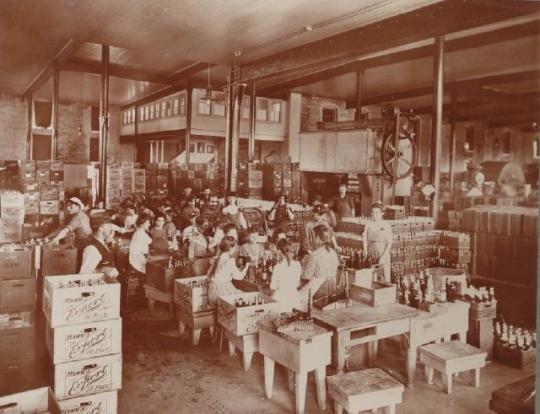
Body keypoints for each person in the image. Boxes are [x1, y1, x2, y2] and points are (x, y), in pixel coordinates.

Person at [46, 197, 92, 270]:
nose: (68, 208)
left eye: (71, 206)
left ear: (78, 206)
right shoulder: (77, 215)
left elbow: (65, 231)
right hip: (81, 241)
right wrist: (47, 237)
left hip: (85, 242)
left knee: (80, 265)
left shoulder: (78, 217)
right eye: (67, 206)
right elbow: (62, 229)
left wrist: (52, 241)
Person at [298, 224, 340, 305]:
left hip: (317, 291)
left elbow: (306, 277)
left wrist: (304, 264)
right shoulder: (333, 253)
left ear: (317, 238)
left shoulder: (315, 255)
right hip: (331, 290)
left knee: (295, 298)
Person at [207, 236, 250, 308]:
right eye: (235, 247)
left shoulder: (216, 257)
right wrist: (247, 266)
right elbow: (239, 277)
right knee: (246, 299)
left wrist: (239, 268)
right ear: (231, 248)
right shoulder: (229, 260)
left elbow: (221, 272)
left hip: (212, 292)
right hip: (221, 292)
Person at [363, 202, 393, 283]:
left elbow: (389, 242)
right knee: (371, 276)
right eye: (372, 212)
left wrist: (383, 257)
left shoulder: (386, 225)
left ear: (382, 213)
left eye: (377, 212)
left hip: (382, 253)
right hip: (370, 253)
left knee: (383, 276)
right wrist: (366, 253)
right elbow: (365, 240)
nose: (374, 214)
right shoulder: (368, 224)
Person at [269, 239, 302, 308]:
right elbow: (297, 283)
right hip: (294, 297)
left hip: (281, 298)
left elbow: (273, 287)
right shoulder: (297, 264)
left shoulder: (277, 267)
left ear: (279, 251)